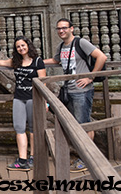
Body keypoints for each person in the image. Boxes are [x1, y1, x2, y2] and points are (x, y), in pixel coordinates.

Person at [44, 18, 107, 172]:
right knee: (73, 121)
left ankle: (86, 158)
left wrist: (90, 77)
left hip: (82, 90)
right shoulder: (61, 46)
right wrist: (37, 62)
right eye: (58, 28)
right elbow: (55, 60)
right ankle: (84, 155)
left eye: (64, 28)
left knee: (84, 124)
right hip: (68, 90)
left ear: (71, 28)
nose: (61, 31)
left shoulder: (81, 43)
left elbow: (102, 57)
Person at [0, 36, 46, 171]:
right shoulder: (16, 62)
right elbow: (2, 63)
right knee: (19, 128)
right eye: (18, 46)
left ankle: (33, 157)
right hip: (19, 98)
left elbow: (43, 82)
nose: (21, 48)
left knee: (33, 129)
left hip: (34, 98)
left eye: (23, 45)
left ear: (28, 46)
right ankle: (22, 160)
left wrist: (45, 102)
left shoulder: (38, 61)